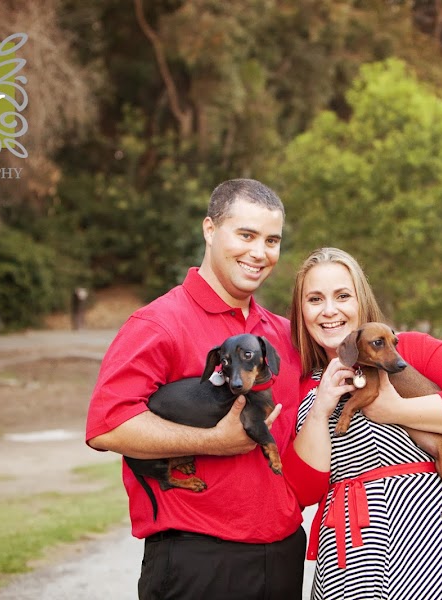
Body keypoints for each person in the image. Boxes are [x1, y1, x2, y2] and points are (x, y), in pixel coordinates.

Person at [86, 179, 306, 600]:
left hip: (282, 553)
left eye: (272, 240)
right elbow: (107, 426)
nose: (260, 252)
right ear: (209, 229)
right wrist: (213, 441)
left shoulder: (284, 335)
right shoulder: (158, 323)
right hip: (197, 560)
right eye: (246, 235)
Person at [281, 247, 442, 600]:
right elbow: (302, 492)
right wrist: (322, 408)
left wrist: (394, 411)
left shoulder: (410, 351)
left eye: (342, 295)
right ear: (300, 311)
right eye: (314, 299)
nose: (329, 310)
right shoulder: (301, 385)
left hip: (441, 552)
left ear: (361, 300)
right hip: (350, 562)